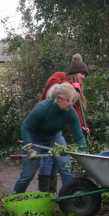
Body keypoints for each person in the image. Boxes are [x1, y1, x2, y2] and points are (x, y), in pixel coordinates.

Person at [13, 83, 88, 193]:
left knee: (65, 166)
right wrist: (29, 148)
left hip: (55, 137)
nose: (71, 104)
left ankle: (71, 197)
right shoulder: (42, 108)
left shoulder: (70, 112)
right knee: (28, 174)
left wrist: (83, 151)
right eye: (68, 101)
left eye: (72, 101)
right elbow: (26, 127)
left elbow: (79, 136)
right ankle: (15, 197)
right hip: (35, 138)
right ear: (59, 99)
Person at [36, 53, 90, 192]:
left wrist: (83, 126)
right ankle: (68, 194)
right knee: (57, 161)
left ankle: (52, 195)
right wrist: (68, 86)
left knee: (53, 161)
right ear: (74, 72)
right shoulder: (59, 77)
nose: (84, 76)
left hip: (56, 128)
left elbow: (75, 112)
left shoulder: (76, 89)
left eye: (85, 74)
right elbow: (52, 94)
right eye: (82, 73)